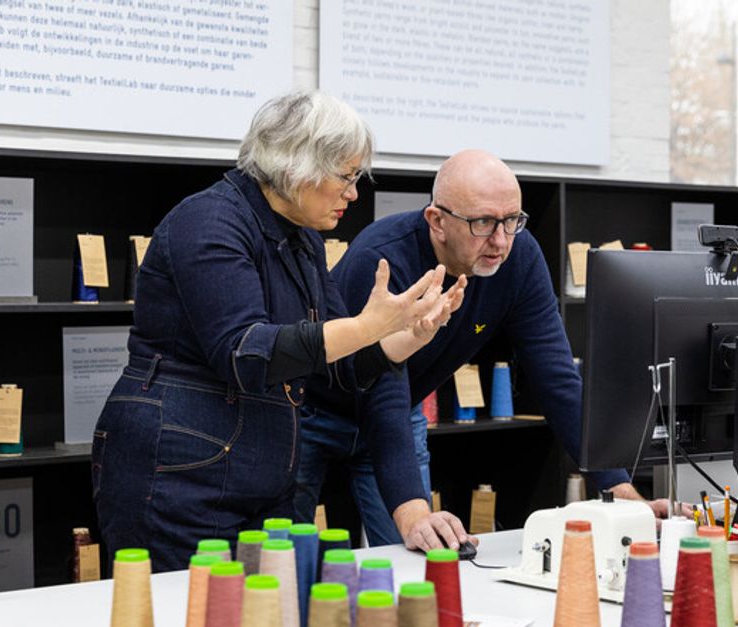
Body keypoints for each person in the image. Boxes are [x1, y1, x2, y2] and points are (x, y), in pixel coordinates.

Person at [91, 91, 466, 571]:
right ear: (296, 167)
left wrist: (408, 335)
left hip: (254, 481)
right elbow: (247, 354)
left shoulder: (302, 240)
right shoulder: (207, 222)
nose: (354, 193)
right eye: (346, 177)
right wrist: (368, 325)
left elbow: (339, 365)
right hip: (178, 480)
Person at [296, 149, 670, 551]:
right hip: (314, 415)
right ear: (437, 221)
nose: (501, 241)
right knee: (296, 562)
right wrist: (413, 510)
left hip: (400, 412)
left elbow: (557, 376)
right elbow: (381, 385)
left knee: (421, 559)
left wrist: (618, 487)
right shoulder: (383, 260)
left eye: (513, 221)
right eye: (483, 223)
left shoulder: (519, 258)